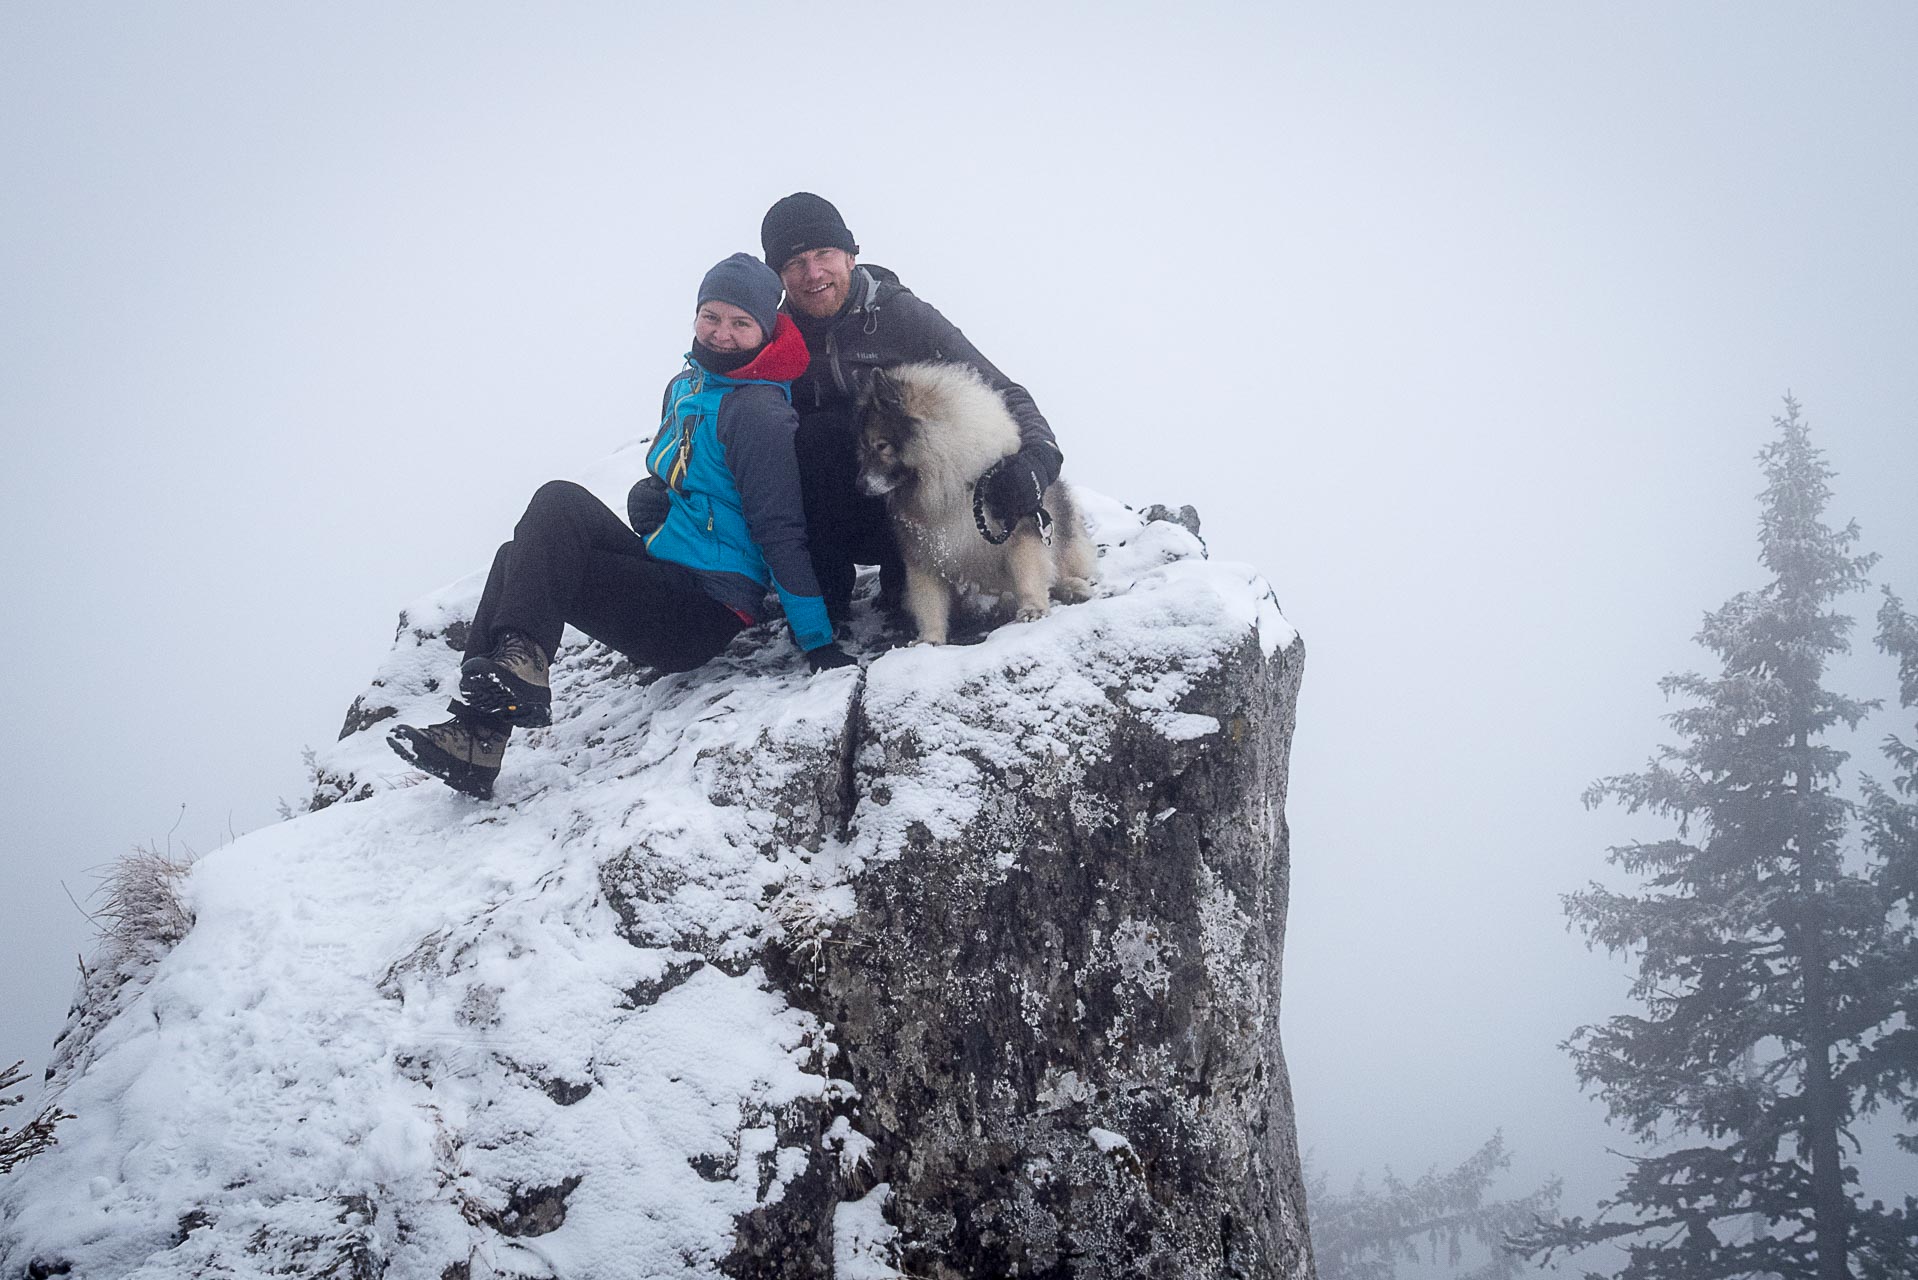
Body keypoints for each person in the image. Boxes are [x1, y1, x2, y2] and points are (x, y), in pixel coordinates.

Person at [388, 253, 856, 800]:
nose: (722, 334)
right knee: (519, 552)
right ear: (695, 314)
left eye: (741, 323)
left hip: (699, 613)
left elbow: (779, 527)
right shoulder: (686, 387)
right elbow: (681, 473)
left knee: (555, 503)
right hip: (666, 571)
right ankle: (476, 735)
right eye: (712, 316)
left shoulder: (757, 413)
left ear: (764, 329)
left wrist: (817, 640)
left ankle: (520, 671)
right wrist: (653, 496)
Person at [759, 192, 1066, 621]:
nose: (813, 273)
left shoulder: (901, 315)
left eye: (823, 253)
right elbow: (724, 411)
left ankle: (910, 576)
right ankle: (824, 597)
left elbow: (1002, 389)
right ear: (779, 275)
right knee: (817, 436)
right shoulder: (773, 336)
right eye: (794, 263)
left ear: (850, 255)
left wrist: (1039, 457)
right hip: (835, 509)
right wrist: (665, 487)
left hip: (915, 507)